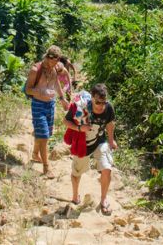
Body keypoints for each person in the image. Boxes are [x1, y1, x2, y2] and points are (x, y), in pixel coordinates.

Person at [63, 83, 117, 215]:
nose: (101, 106)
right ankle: (75, 196)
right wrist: (80, 128)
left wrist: (111, 140)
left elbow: (110, 124)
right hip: (83, 144)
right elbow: (66, 121)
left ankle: (103, 200)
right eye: (98, 102)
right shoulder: (81, 107)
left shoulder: (108, 108)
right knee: (77, 173)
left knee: (107, 168)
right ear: (92, 98)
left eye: (103, 102)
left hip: (99, 140)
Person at [26, 45, 69, 177]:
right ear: (47, 57)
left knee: (46, 133)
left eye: (56, 62)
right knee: (44, 136)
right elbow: (28, 89)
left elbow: (56, 83)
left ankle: (34, 154)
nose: (53, 65)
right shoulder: (35, 70)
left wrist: (62, 98)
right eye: (51, 62)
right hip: (38, 104)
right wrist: (40, 91)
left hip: (50, 104)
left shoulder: (56, 67)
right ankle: (46, 167)